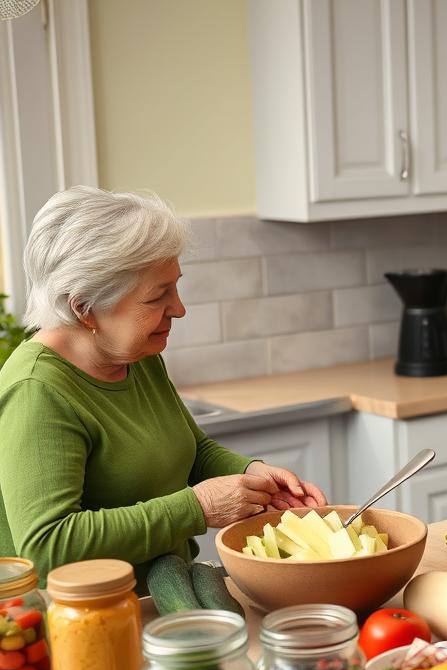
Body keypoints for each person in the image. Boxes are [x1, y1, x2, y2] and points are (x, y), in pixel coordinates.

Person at [0, 186, 327, 588]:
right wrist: (198, 507)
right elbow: (49, 548)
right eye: (157, 297)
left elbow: (191, 450)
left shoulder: (134, 353)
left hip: (165, 595)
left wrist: (254, 474)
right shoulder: (38, 391)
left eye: (175, 285)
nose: (179, 308)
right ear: (84, 306)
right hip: (86, 621)